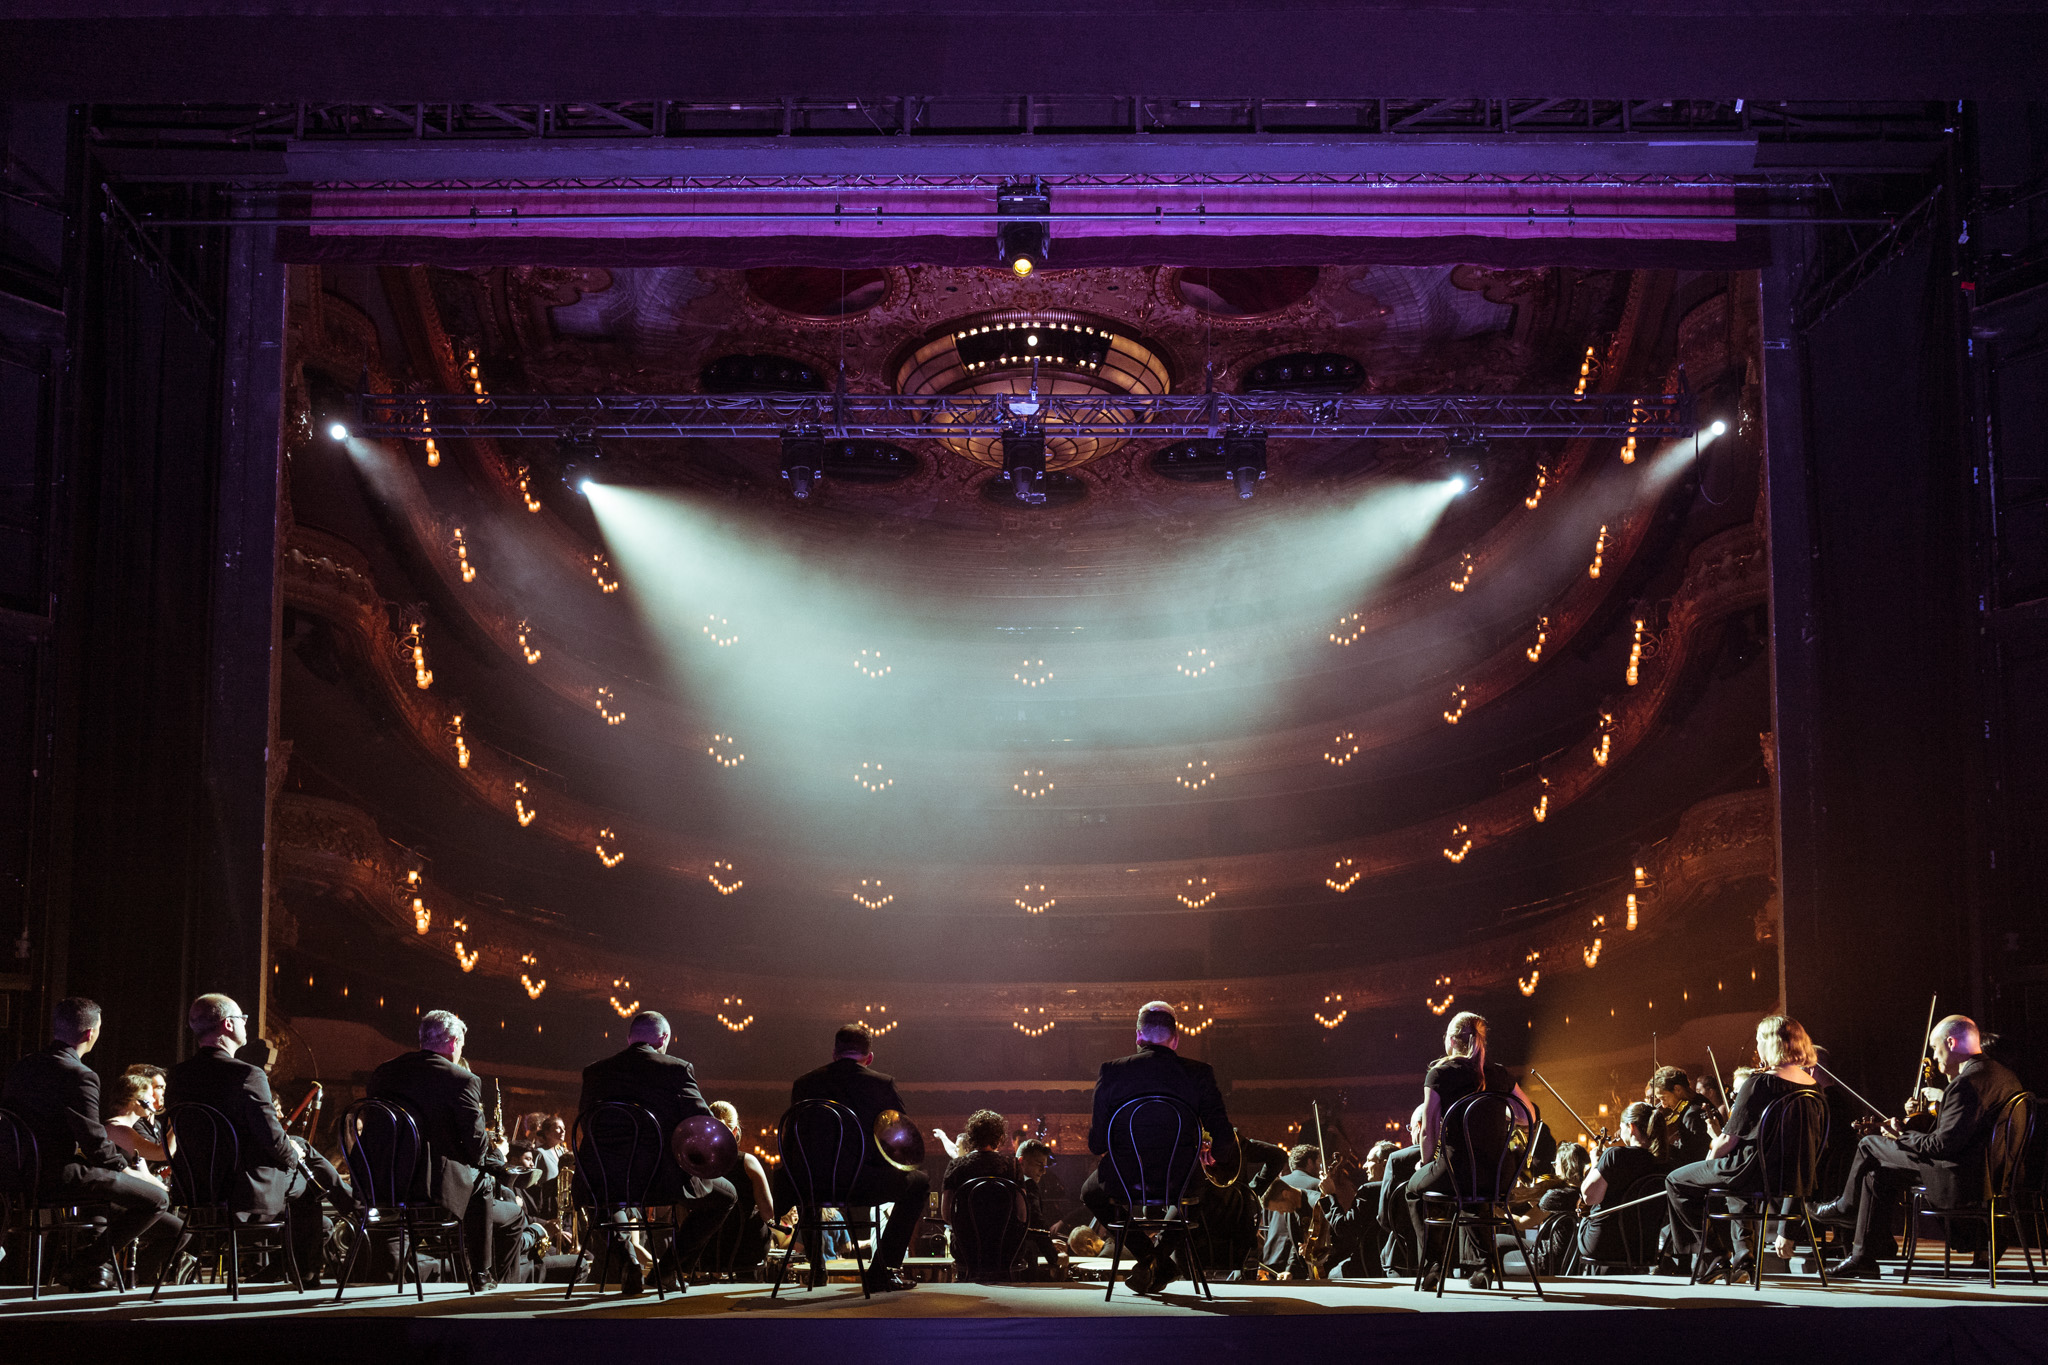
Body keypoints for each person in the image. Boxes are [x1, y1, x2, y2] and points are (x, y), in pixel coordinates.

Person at [1812, 1014, 2028, 1278]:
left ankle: (1846, 1208)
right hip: (1995, 1174)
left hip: (1961, 1177)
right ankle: (1863, 1257)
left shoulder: (1965, 1084)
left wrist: (1902, 1135)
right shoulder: (2003, 1075)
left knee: (1869, 1144)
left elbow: (1940, 1146)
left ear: (1951, 1043)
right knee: (1877, 1173)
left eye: (1936, 1049)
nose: (1935, 1058)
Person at [1, 998, 180, 1291]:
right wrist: (126, 1169)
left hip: (15, 1177)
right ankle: (83, 1265)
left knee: (110, 1191)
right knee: (157, 1199)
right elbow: (94, 1142)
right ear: (90, 1033)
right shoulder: (79, 1074)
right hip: (58, 1176)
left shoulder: (22, 1067)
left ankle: (93, 1269)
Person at [1081, 1000, 1237, 1296]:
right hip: (1180, 1177)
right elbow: (1224, 1136)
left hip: (1125, 1178)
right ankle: (1160, 1259)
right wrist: (1212, 1155)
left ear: (1138, 1036)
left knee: (1091, 1192)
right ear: (1175, 1039)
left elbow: (1096, 1143)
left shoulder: (1112, 1071)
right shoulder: (1199, 1072)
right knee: (1200, 1189)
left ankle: (1150, 1258)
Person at [577, 1009, 738, 1289]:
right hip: (660, 1180)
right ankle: (667, 1270)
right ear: (663, 1038)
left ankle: (628, 1264)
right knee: (727, 1196)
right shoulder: (676, 1069)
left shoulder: (595, 1072)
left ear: (629, 1038)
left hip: (604, 1177)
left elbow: (586, 1122)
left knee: (601, 1197)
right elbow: (702, 1123)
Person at [368, 1008, 528, 1286]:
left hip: (381, 1184)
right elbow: (476, 1149)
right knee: (486, 1184)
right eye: (461, 1045)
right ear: (454, 1043)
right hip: (431, 1191)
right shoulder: (461, 1079)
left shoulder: (384, 1072)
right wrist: (498, 1154)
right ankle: (481, 1274)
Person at [1662, 1015, 1819, 1282]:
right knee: (1736, 1186)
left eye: (1758, 1041)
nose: (1756, 1047)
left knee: (1676, 1181)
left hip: (1752, 1169)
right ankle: (1744, 1258)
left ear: (1770, 1043)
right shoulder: (1814, 1088)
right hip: (1792, 1175)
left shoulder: (1758, 1083)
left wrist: (1709, 1160)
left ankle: (1714, 1255)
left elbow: (1729, 1140)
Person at [787, 1021, 930, 1293]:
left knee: (807, 1174)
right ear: (869, 1057)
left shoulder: (804, 1084)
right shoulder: (882, 1084)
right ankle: (882, 1270)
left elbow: (796, 1140)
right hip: (865, 1184)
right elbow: (900, 1134)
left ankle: (817, 1267)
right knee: (919, 1183)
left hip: (813, 1185)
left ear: (834, 1054)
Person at [1404, 1011, 1535, 1291]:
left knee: (1415, 1190)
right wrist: (1499, 1113)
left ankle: (1433, 1265)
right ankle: (1484, 1267)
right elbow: (1529, 1116)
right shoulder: (1499, 1073)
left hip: (1457, 1171)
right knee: (1475, 1198)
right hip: (1498, 1175)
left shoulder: (1440, 1073)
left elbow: (1428, 1129)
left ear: (1451, 1040)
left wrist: (1425, 1164)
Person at [1575, 1102, 1664, 1266]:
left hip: (1605, 1243)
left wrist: (1596, 1164)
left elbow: (1589, 1197)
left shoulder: (1615, 1155)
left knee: (1575, 1222)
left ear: (1631, 1127)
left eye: (1621, 1127)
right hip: (1645, 1247)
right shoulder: (1665, 1161)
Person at [703, 1100, 781, 1273]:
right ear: (735, 1131)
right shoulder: (748, 1163)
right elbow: (768, 1213)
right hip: (746, 1247)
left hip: (707, 1249)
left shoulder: (696, 1164)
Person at [1645, 1066, 1715, 1168]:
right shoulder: (1700, 1100)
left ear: (1677, 1089)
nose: (1663, 1105)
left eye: (1663, 1098)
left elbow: (1691, 1158)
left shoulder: (1692, 1115)